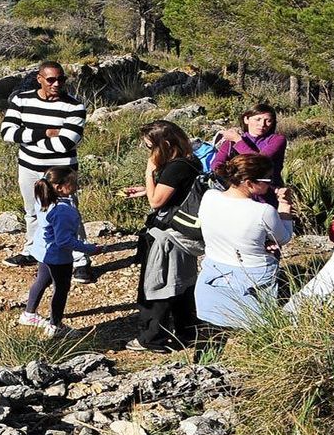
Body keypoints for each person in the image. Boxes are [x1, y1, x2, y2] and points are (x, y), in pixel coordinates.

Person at [0, 61, 92, 281]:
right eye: (51, 79)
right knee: (32, 211)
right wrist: (46, 131)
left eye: (61, 79)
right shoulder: (21, 100)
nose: (57, 84)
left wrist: (28, 136)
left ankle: (80, 260)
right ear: (39, 78)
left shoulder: (74, 106)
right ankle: (32, 250)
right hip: (29, 168)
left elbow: (65, 144)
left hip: (61, 172)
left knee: (69, 215)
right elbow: (7, 133)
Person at [122, 120, 203, 352]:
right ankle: (188, 331)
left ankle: (152, 337)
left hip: (167, 236)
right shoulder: (190, 161)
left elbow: (156, 201)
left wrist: (149, 174)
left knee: (158, 284)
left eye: (150, 147)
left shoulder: (176, 167)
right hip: (181, 233)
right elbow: (174, 191)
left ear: (164, 144)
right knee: (182, 284)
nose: (149, 152)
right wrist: (144, 188)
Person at [194, 154, 295, 328]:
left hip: (214, 271)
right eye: (267, 179)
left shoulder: (209, 196)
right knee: (259, 331)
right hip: (253, 277)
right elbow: (283, 238)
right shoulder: (263, 211)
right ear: (249, 183)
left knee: (212, 334)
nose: (271, 183)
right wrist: (285, 207)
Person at [16, 168, 100, 338]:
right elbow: (64, 241)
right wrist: (90, 249)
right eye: (73, 183)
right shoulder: (63, 211)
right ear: (60, 187)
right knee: (61, 289)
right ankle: (55, 326)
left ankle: (29, 314)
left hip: (42, 250)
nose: (76, 185)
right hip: (58, 256)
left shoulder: (43, 197)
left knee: (42, 280)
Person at [213, 103, 288, 202]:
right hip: (238, 195)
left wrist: (238, 141)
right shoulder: (232, 141)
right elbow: (216, 164)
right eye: (258, 119)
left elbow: (260, 161)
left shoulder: (277, 140)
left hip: (267, 194)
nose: (262, 124)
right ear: (246, 119)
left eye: (268, 121)